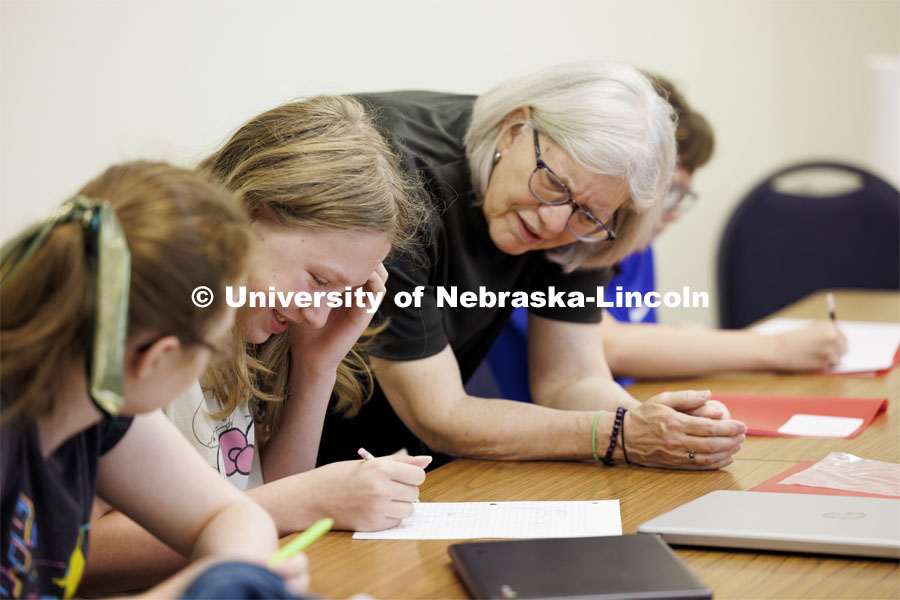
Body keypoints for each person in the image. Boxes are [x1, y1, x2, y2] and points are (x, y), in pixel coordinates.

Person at [315, 60, 747, 472]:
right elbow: (441, 415)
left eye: (589, 213)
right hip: (279, 436)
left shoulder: (590, 217)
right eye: (553, 184)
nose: (555, 221)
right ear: (514, 130)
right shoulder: (395, 184)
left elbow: (570, 379)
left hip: (380, 450)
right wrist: (620, 435)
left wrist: (661, 426)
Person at [81, 96, 433, 594]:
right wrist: (308, 500)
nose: (316, 312)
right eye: (317, 279)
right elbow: (84, 550)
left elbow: (253, 493)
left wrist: (316, 365)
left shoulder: (242, 321)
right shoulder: (142, 328)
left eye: (341, 292)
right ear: (248, 213)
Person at [0, 162, 307, 598]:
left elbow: (232, 517)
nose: (220, 356)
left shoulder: (93, 399)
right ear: (155, 357)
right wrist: (199, 587)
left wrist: (236, 568)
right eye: (213, 346)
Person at [484, 74, 848, 399]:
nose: (668, 211)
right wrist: (778, 349)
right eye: (666, 191)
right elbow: (605, 345)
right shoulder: (544, 234)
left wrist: (690, 344)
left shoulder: (634, 247)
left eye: (677, 195)